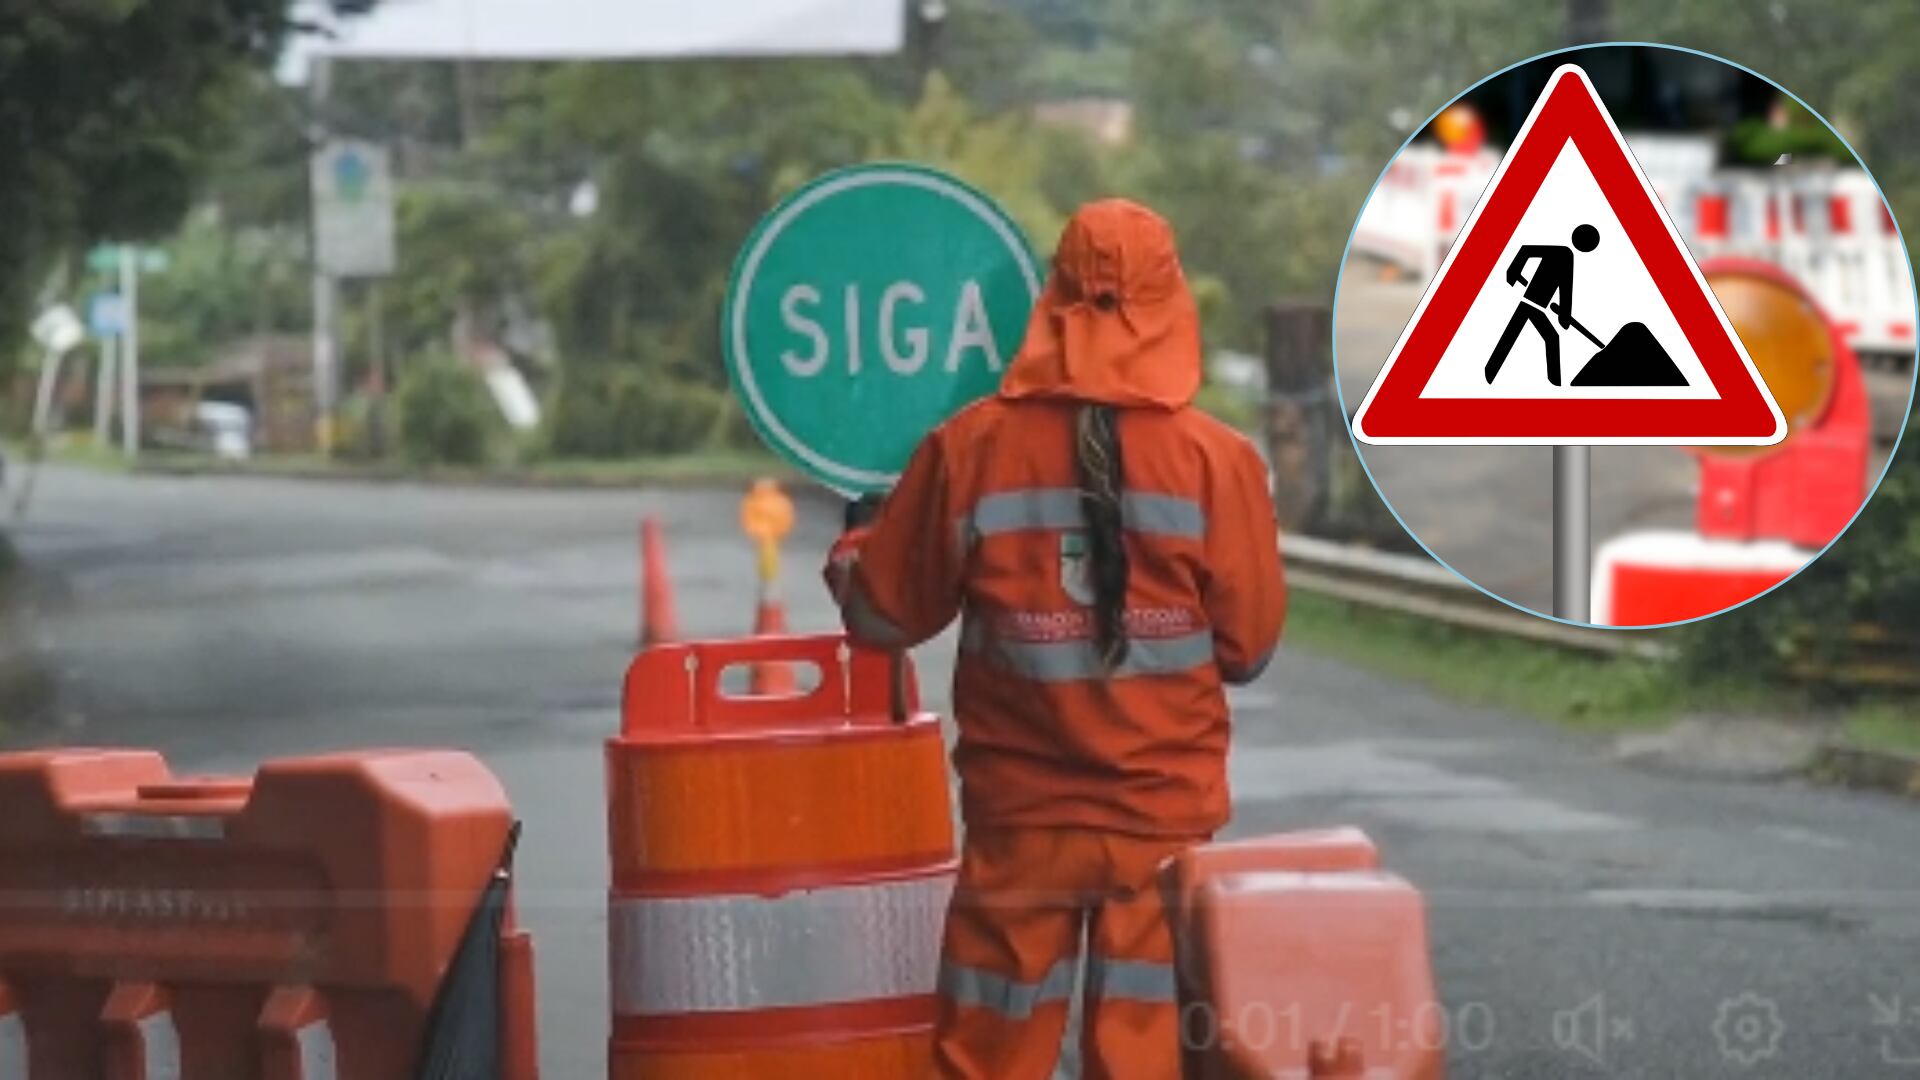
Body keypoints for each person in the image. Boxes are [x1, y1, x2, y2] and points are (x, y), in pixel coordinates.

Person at [823, 198, 1286, 1079]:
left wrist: (859, 546)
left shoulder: (967, 450)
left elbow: (883, 617)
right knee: (1149, 1062)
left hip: (1020, 828)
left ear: (1051, 299)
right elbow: (1248, 650)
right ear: (1168, 300)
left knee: (988, 1060)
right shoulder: (1218, 462)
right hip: (1162, 828)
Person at [1484, 223, 1600, 386]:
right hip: (1530, 304)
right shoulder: (1564, 254)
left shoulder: (1564, 255)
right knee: (1547, 338)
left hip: (1534, 306)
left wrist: (1564, 315)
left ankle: (1490, 372)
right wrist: (1513, 270)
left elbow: (1565, 287)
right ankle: (1555, 384)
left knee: (1519, 336)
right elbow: (1527, 250)